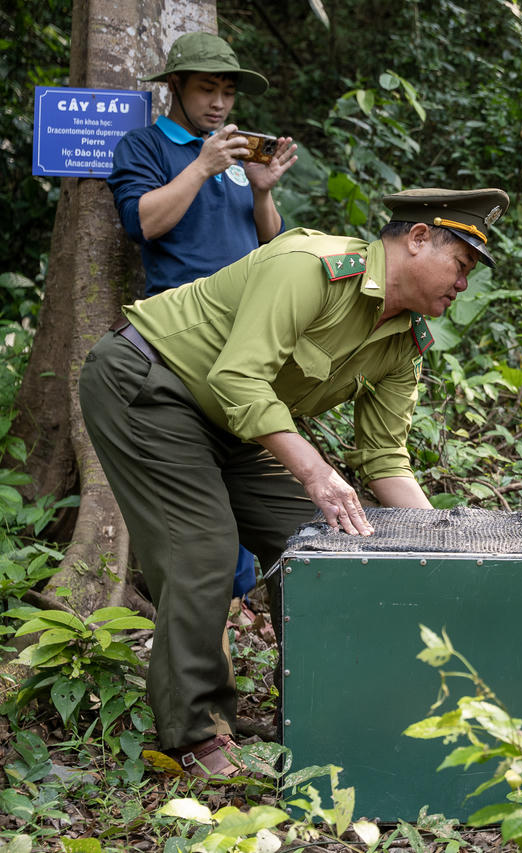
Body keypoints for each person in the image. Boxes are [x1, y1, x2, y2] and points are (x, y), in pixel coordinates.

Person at [79, 187, 510, 776]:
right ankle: (195, 738)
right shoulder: (310, 269)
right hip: (153, 384)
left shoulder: (405, 343)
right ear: (416, 239)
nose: (463, 285)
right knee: (203, 547)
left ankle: (323, 710)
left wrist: (438, 544)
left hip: (241, 424)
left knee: (325, 544)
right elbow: (238, 377)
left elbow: (385, 457)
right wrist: (315, 472)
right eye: (460, 266)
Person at [107, 31, 300, 607]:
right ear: (175, 88)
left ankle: (245, 595)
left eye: (227, 93)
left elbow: (271, 243)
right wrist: (201, 165)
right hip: (181, 338)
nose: (219, 103)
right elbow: (143, 222)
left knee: (246, 461)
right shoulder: (143, 147)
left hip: (250, 331)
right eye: (206, 89)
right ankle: (218, 602)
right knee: (201, 467)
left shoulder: (239, 154)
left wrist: (262, 190)